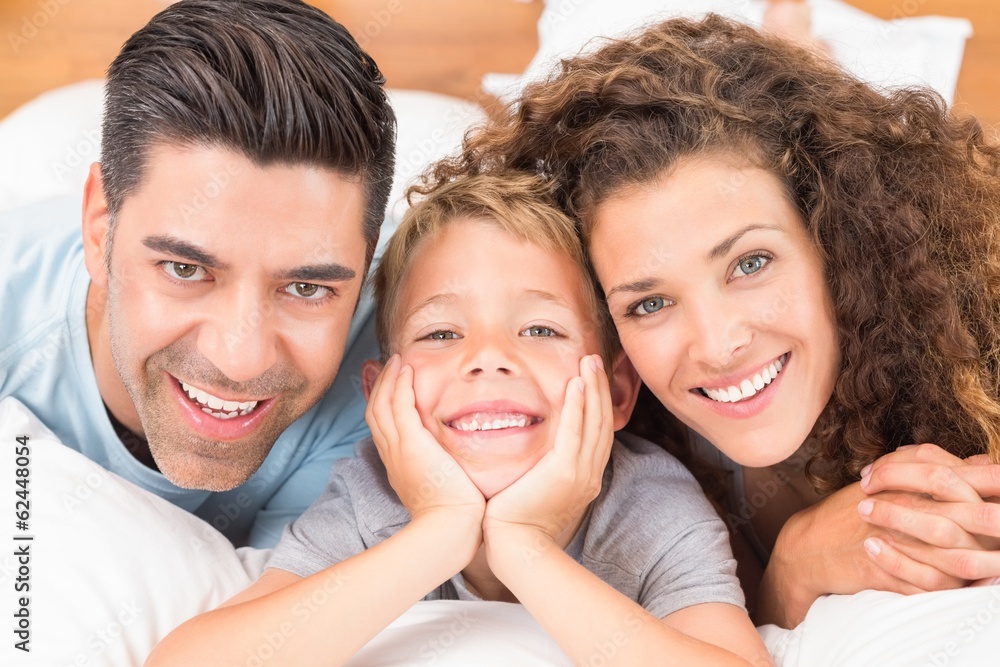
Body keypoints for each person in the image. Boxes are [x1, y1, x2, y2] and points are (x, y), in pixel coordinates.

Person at [432, 14, 1000, 628]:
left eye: (750, 263)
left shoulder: (968, 349)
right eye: (649, 304)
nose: (717, 345)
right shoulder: (645, 468)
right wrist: (795, 563)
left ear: (840, 240)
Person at [146, 172, 772, 666]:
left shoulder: (650, 506)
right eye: (441, 333)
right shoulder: (369, 499)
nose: (488, 358)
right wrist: (440, 532)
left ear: (613, 393)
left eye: (540, 329)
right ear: (381, 397)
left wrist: (525, 547)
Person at [0, 0, 396, 547]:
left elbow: (290, 596)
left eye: (306, 287)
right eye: (185, 269)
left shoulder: (399, 356)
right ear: (99, 228)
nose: (239, 359)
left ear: (366, 259)